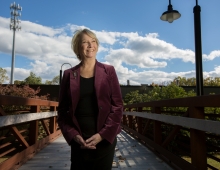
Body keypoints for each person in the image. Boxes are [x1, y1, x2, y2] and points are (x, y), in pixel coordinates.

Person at [57, 28, 123, 170]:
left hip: (104, 139)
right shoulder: (69, 74)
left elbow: (117, 106)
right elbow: (62, 111)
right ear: (78, 47)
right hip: (79, 140)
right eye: (85, 42)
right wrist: (74, 136)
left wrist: (102, 135)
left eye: (93, 41)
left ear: (97, 45)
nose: (90, 45)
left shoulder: (109, 71)